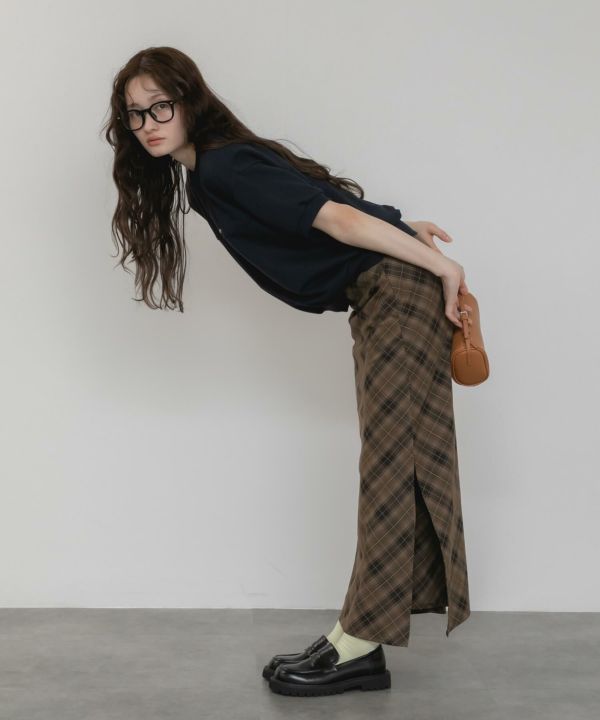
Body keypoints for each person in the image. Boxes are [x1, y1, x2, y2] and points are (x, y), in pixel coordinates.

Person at [103, 46, 472, 697]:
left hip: (396, 294)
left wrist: (439, 264)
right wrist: (400, 227)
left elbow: (334, 217)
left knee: (391, 463)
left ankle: (358, 644)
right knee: (394, 459)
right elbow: (321, 204)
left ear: (190, 101)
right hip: (381, 295)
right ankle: (354, 636)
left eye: (161, 105)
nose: (149, 124)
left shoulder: (225, 166)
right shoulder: (209, 176)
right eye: (136, 114)